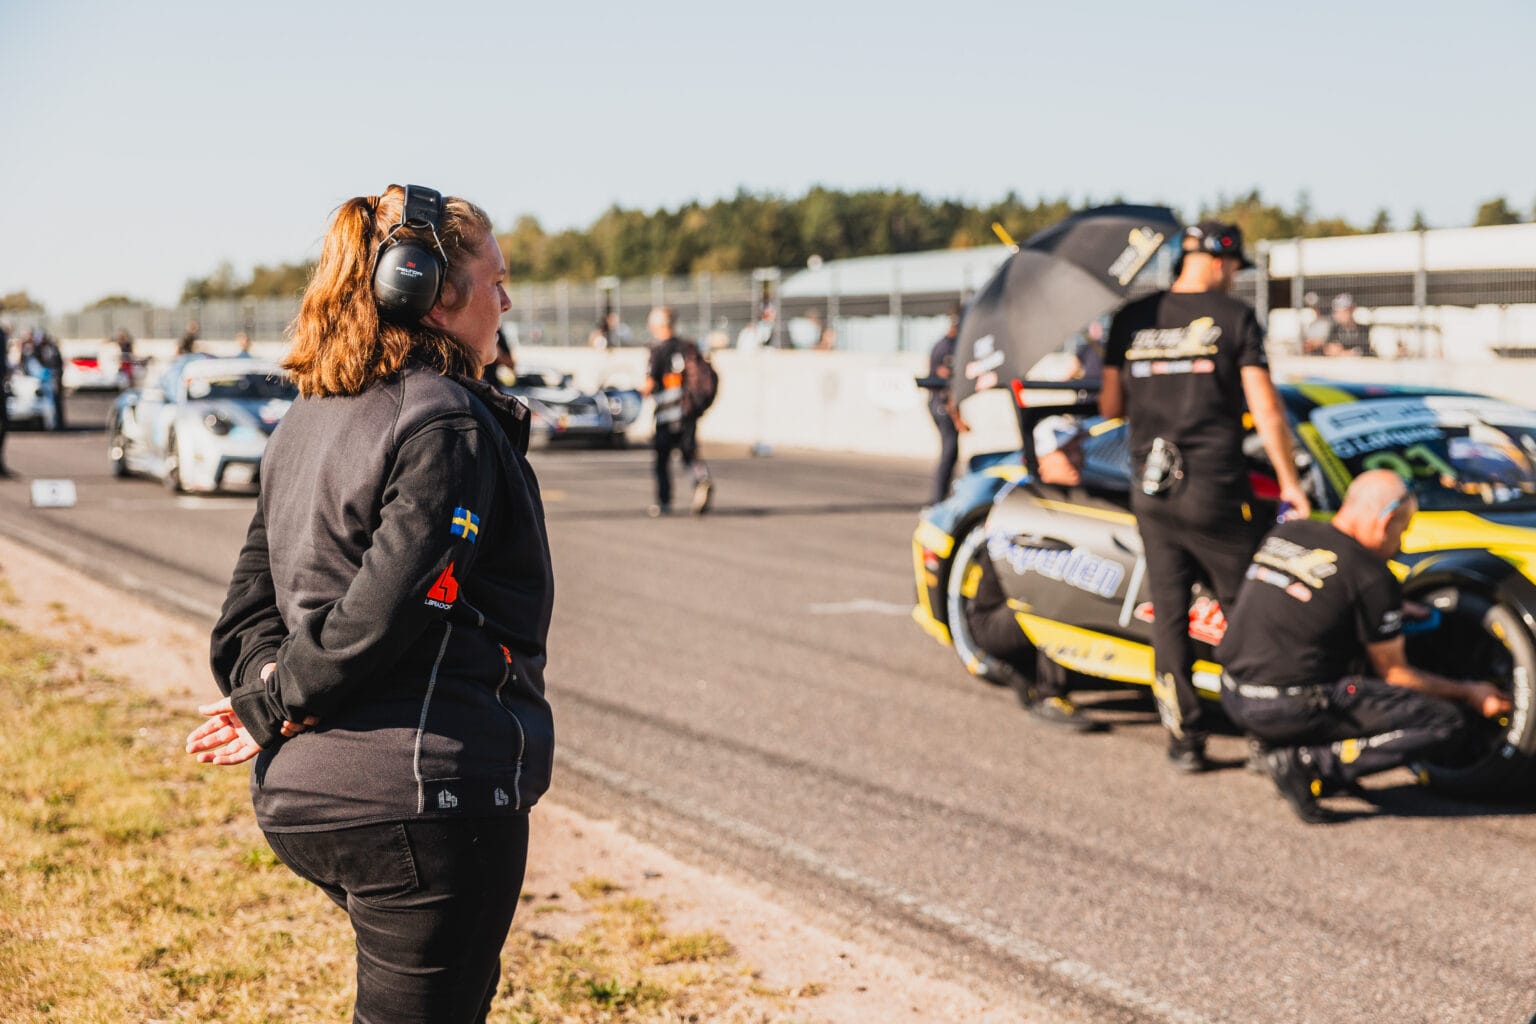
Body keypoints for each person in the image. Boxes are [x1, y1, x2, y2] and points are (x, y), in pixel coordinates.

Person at [184, 184, 554, 1023]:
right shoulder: (445, 424)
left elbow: (248, 611)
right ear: (422, 289)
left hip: (307, 801)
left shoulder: (305, 419)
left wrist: (269, 695)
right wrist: (273, 702)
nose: (506, 300)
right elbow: (392, 607)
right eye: (494, 280)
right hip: (426, 801)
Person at [1101, 220, 1312, 773]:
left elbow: (1107, 408)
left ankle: (1184, 739)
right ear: (1219, 261)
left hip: (1150, 487)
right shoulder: (1236, 318)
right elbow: (1265, 409)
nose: (1233, 277)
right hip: (1215, 487)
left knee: (1169, 614)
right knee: (1247, 611)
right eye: (1235, 267)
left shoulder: (1131, 318)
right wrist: (1290, 483)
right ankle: (1264, 732)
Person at [1218, 470, 1511, 822]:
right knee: (1443, 721)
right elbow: (1396, 675)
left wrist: (1385, 607)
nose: (1400, 545)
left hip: (1232, 693)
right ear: (1385, 522)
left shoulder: (1290, 531)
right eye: (1402, 531)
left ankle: (1275, 743)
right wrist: (1469, 692)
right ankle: (1309, 763)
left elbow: (1315, 595)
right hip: (1286, 708)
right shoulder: (1372, 575)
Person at [966, 416, 1103, 730]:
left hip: (1018, 610)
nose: (1077, 459)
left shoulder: (1076, 495)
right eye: (1066, 452)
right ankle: (1049, 695)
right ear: (1041, 459)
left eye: (1077, 449)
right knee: (1059, 595)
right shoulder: (1021, 502)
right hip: (993, 619)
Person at [640, 304, 712, 517]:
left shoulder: (658, 350)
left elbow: (649, 384)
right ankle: (701, 479)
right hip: (688, 411)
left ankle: (664, 502)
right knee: (688, 452)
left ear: (659, 325)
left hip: (666, 415)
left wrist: (635, 392)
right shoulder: (688, 346)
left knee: (662, 459)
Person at [923, 303, 971, 506]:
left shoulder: (948, 345)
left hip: (943, 405)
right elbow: (947, 386)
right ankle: (938, 500)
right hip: (942, 406)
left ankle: (941, 497)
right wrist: (956, 416)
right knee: (949, 451)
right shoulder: (946, 348)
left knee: (951, 452)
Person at [1321, 293, 1373, 357]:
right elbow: (1327, 348)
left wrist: (1345, 353)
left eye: (1344, 311)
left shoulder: (1364, 329)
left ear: (1352, 310)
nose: (1340, 314)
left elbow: (1366, 350)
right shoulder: (1334, 329)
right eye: (1337, 311)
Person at [33, 330, 65, 430]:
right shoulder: (39, 349)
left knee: (54, 402)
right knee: (49, 402)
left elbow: (57, 364)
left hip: (53, 379)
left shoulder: (52, 349)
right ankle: (52, 424)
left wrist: (57, 378)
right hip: (48, 379)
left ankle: (57, 424)